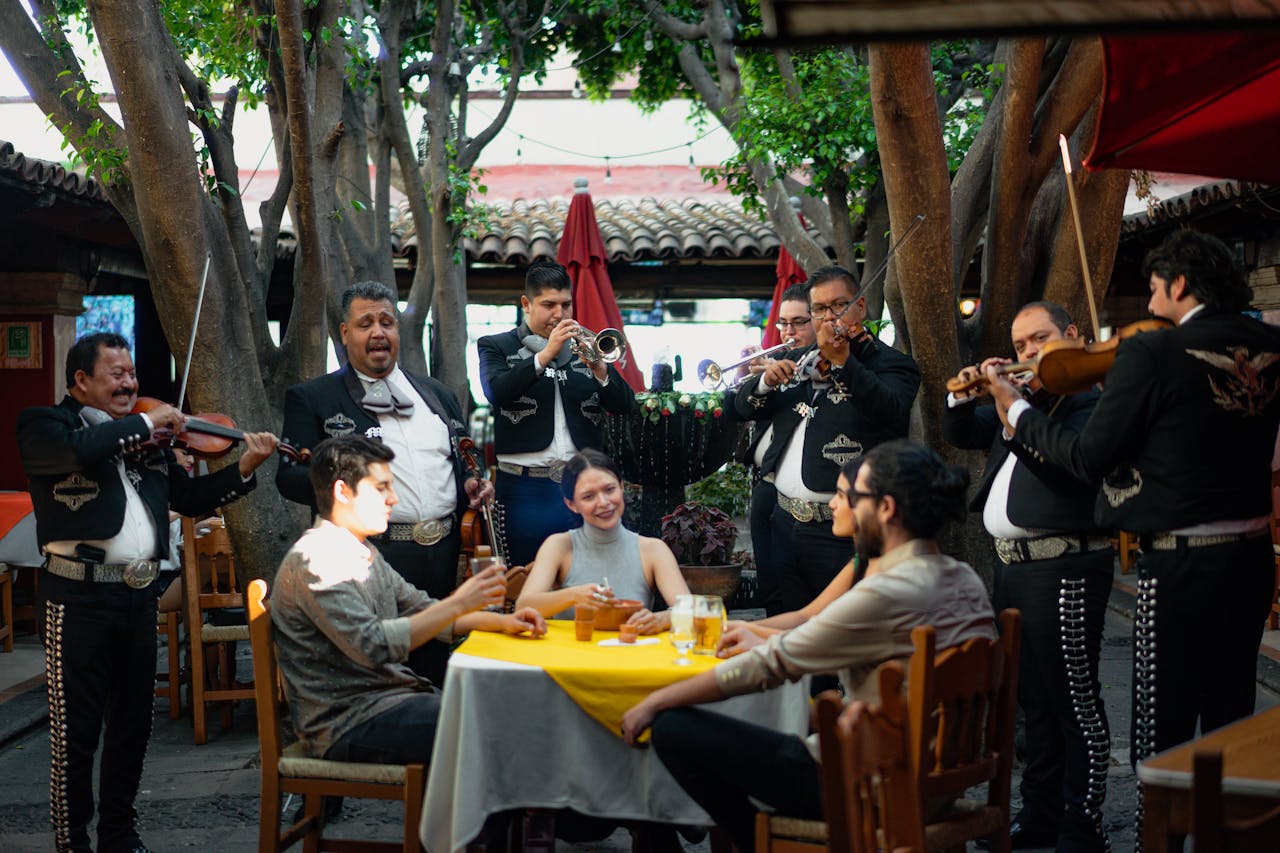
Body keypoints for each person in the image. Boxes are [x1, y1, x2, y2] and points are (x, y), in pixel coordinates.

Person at [984, 231, 1280, 829]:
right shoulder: (1271, 346)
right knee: (1232, 715)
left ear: (1180, 283)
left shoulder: (1153, 351)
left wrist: (1015, 409)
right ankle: (1231, 837)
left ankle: (1158, 838)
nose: (1148, 304)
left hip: (1178, 563)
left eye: (1153, 289)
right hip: (1251, 559)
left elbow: (1088, 458)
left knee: (1159, 729)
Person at [620, 440, 995, 853]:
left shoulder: (889, 591)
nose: (833, 504)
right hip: (934, 781)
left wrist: (654, 703)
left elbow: (769, 665)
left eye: (848, 496)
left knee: (673, 728)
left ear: (886, 508)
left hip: (869, 785)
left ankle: (758, 844)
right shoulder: (964, 578)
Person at [17, 331, 278, 853]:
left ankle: (119, 834)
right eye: (117, 374)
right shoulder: (48, 425)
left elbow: (191, 497)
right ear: (81, 380)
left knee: (133, 726)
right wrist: (143, 422)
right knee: (76, 731)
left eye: (132, 374)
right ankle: (72, 841)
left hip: (139, 597)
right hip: (76, 599)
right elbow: (76, 452)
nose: (130, 383)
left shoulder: (150, 446)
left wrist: (244, 469)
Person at [945, 302, 1113, 852]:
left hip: (1066, 565)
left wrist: (1014, 409)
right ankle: (1041, 813)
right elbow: (962, 431)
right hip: (1014, 569)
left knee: (1075, 702)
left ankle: (1082, 825)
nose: (1028, 352)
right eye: (1020, 345)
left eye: (1039, 339)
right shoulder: (1025, 404)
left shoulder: (1089, 403)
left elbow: (1071, 475)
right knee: (1033, 702)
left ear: (1072, 335)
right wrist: (963, 394)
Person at [271, 436, 546, 769]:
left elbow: (423, 609)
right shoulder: (317, 559)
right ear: (342, 491)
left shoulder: (361, 550)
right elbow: (373, 646)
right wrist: (459, 603)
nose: (394, 498)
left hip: (390, 700)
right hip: (346, 721)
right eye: (382, 488)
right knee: (499, 718)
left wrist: (505, 621)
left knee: (509, 705)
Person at [278, 280, 491, 680]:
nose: (378, 332)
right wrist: (344, 485)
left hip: (444, 550)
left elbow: (466, 456)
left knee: (436, 664)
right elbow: (288, 478)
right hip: (375, 554)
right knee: (380, 668)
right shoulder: (314, 397)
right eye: (365, 324)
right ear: (345, 333)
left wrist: (473, 481)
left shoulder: (438, 394)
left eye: (387, 322)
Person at [733, 265, 920, 613]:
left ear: (860, 306)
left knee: (842, 629)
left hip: (844, 532)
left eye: (838, 306)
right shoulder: (798, 358)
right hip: (784, 521)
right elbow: (740, 408)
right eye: (819, 309)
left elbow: (891, 410)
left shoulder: (892, 364)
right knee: (784, 620)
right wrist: (764, 383)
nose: (829, 317)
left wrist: (845, 363)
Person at [477, 261, 636, 566]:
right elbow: (497, 391)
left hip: (582, 486)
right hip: (524, 489)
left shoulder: (586, 345)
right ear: (526, 304)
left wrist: (600, 370)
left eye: (566, 304)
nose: (560, 314)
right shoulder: (495, 346)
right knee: (527, 576)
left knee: (590, 574)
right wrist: (546, 354)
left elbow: (625, 404)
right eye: (549, 305)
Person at [516, 449, 690, 633]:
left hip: (631, 648)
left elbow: (690, 610)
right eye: (588, 496)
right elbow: (523, 607)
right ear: (572, 504)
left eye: (609, 489)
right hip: (571, 649)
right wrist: (575, 595)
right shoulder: (559, 546)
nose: (603, 502)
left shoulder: (653, 550)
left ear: (622, 487)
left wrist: (662, 618)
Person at [739, 283, 818, 616]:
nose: (789, 331)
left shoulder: (820, 371)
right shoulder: (774, 364)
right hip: (764, 486)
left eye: (799, 322)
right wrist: (755, 379)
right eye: (783, 323)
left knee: (797, 593)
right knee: (770, 587)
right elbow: (740, 410)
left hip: (799, 496)